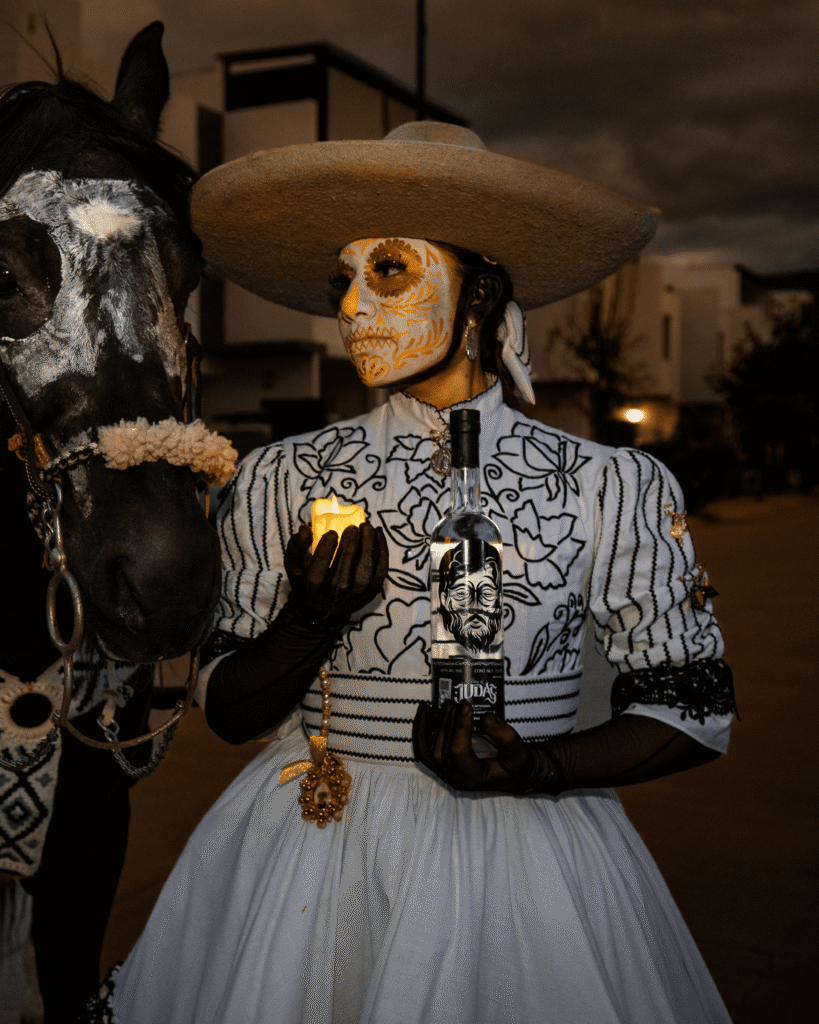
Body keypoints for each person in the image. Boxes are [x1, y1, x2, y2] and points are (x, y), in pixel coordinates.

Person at [94, 121, 737, 1023]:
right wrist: (308, 623)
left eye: (387, 271)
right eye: (342, 280)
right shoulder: (283, 474)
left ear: (479, 293)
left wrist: (537, 767)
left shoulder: (613, 482)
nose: (352, 305)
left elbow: (692, 708)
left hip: (526, 861)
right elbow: (230, 713)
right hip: (315, 847)